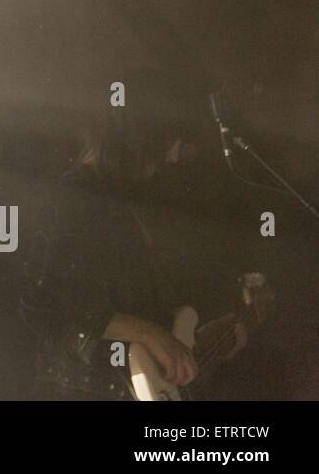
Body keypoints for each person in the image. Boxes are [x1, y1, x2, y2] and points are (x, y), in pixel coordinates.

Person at [20, 70, 262, 399]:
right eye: (171, 141)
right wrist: (148, 333)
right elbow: (42, 305)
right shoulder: (71, 195)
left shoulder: (128, 202)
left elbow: (147, 331)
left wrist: (197, 343)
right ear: (146, 133)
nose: (174, 156)